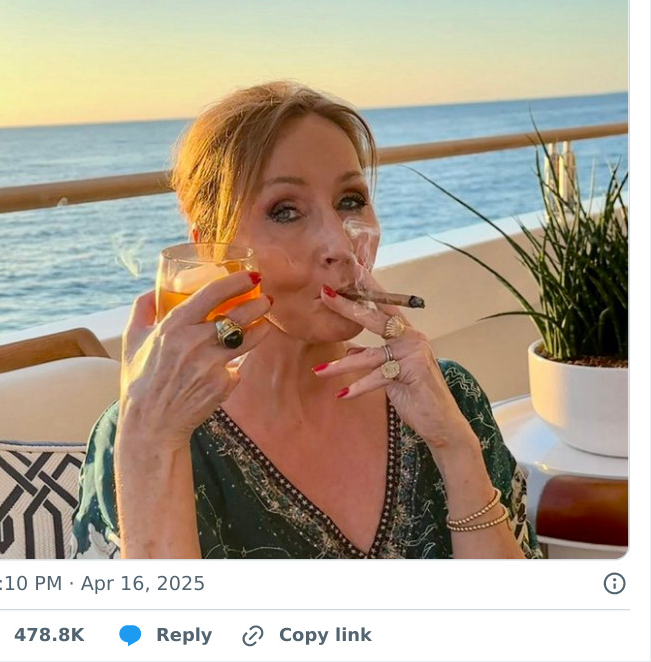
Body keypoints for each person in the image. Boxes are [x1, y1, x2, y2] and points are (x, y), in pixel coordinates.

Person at [71, 81, 541, 559]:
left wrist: (454, 448)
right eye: (286, 211)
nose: (339, 246)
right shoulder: (153, 430)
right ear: (211, 246)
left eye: (351, 201)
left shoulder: (449, 396)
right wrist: (153, 441)